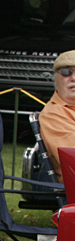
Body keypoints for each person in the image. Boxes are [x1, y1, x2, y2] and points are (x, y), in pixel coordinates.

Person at [38, 50, 75, 185]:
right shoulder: (54, 114)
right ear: (56, 79)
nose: (73, 78)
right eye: (67, 72)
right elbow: (72, 158)